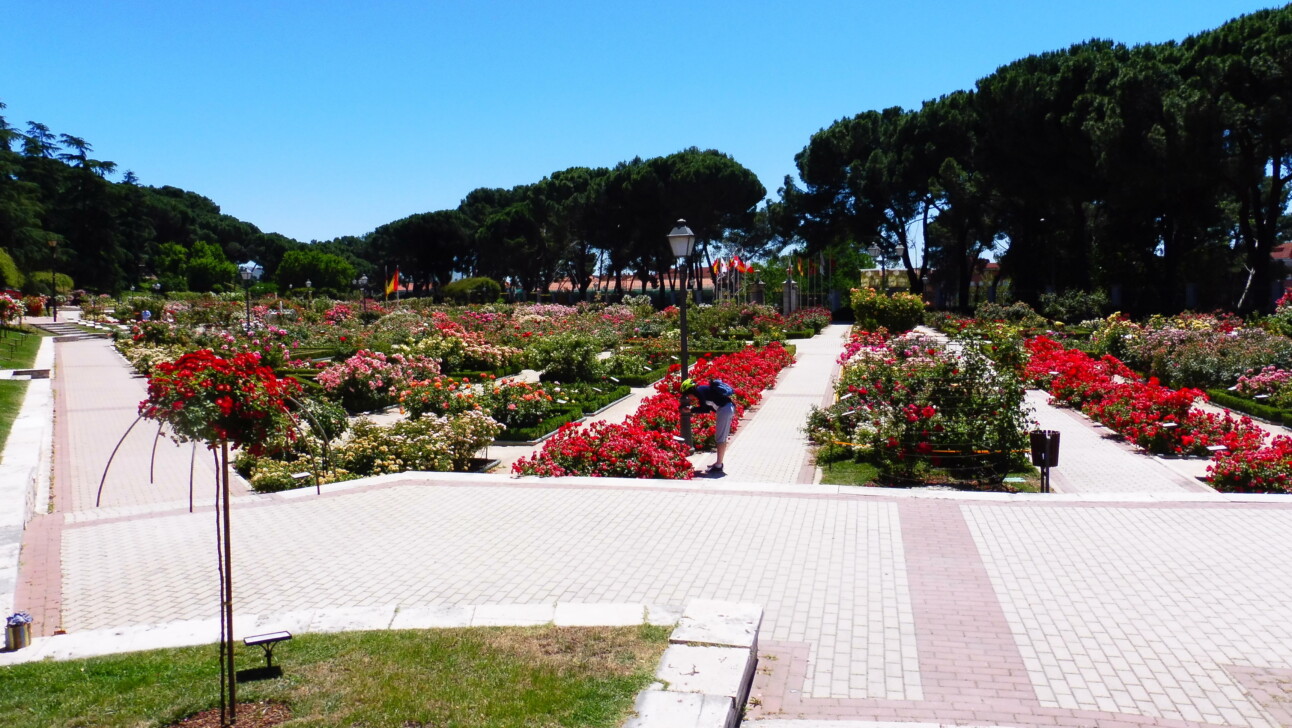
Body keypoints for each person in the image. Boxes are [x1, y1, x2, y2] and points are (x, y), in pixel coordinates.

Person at [680, 378, 735, 474]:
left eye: (687, 394)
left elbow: (704, 409)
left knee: (720, 439)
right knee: (721, 438)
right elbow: (710, 406)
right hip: (727, 408)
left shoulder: (700, 392)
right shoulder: (702, 389)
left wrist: (691, 410)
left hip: (724, 410)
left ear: (690, 390)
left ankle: (719, 465)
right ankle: (718, 463)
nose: (688, 397)